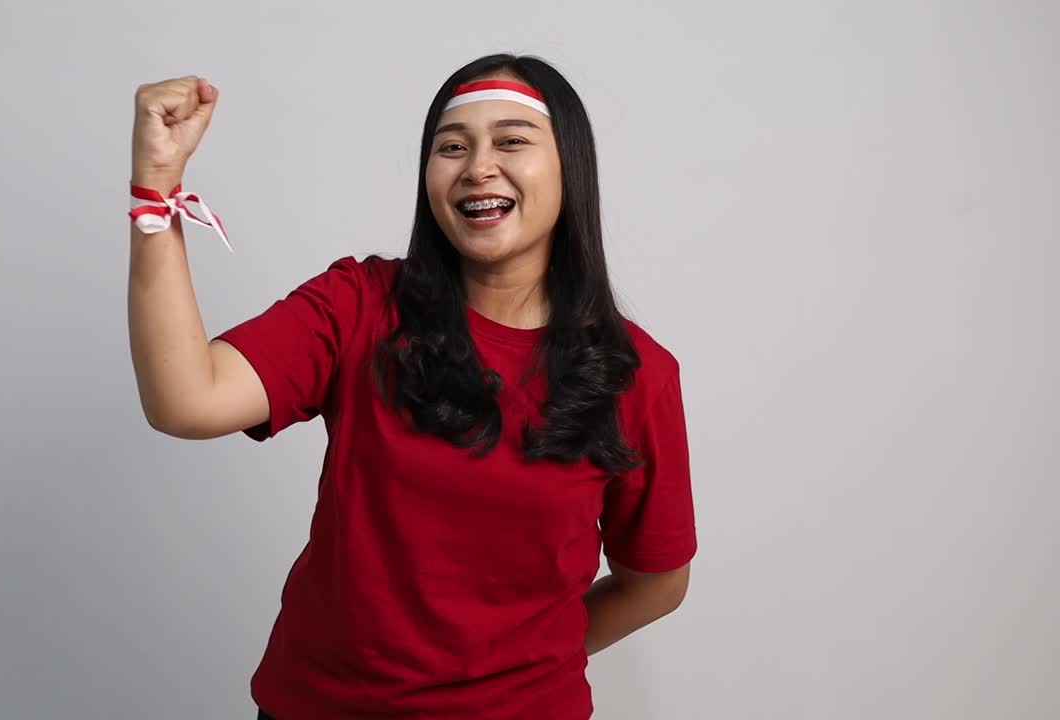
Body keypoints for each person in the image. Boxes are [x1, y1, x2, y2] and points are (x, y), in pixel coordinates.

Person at [127, 53, 697, 720]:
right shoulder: (357, 304)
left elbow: (655, 584)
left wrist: (519, 670)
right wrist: (155, 187)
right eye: (452, 147)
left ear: (570, 166)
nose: (478, 166)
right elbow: (185, 400)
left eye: (512, 141)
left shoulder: (638, 373)